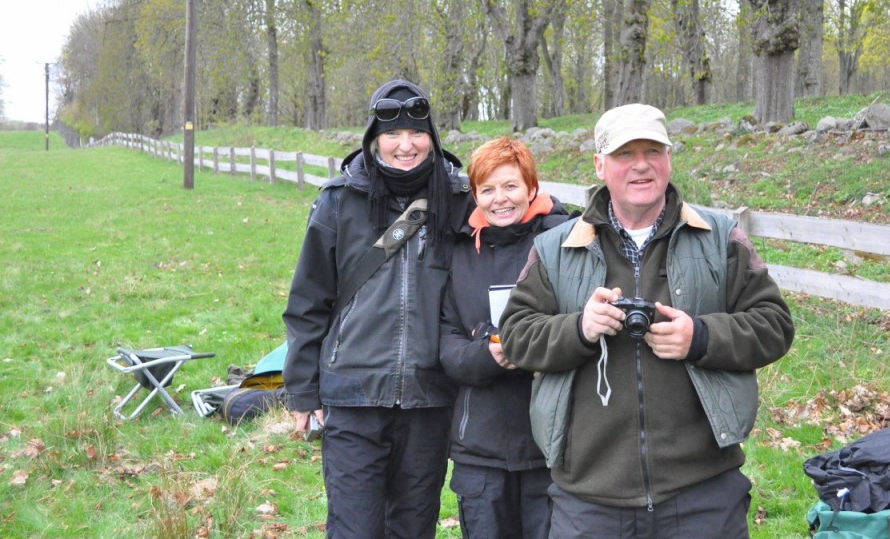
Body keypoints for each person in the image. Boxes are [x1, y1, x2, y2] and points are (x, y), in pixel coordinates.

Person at [499, 103, 795, 538]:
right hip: (589, 497)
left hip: (702, 493)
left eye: (653, 151)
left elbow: (774, 325)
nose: (641, 165)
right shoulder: (555, 248)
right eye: (624, 154)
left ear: (669, 159)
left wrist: (701, 336)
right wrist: (579, 329)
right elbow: (515, 336)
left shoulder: (718, 237)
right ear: (600, 165)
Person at [282, 79, 473, 539]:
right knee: (354, 529)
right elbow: (309, 300)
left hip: (430, 397)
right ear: (374, 138)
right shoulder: (338, 201)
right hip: (352, 394)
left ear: (432, 137)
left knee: (413, 527)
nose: (405, 145)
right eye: (393, 134)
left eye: (417, 133)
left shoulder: (460, 199)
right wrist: (302, 391)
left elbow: (515, 223)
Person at [439, 137, 571, 539]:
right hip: (481, 447)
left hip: (551, 445)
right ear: (475, 194)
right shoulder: (459, 251)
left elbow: (581, 327)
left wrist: (531, 346)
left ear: (532, 188)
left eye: (511, 186)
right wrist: (486, 355)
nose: (501, 199)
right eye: (488, 189)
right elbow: (446, 340)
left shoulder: (565, 242)